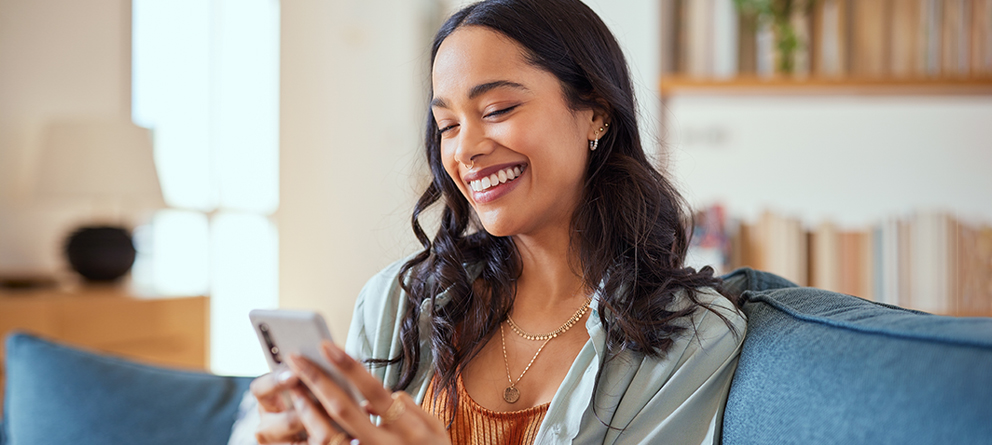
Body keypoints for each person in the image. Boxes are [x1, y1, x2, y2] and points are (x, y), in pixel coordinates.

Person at [247, 0, 746, 443]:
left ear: (595, 111)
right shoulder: (399, 303)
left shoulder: (693, 339)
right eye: (448, 125)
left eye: (498, 108)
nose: (465, 148)